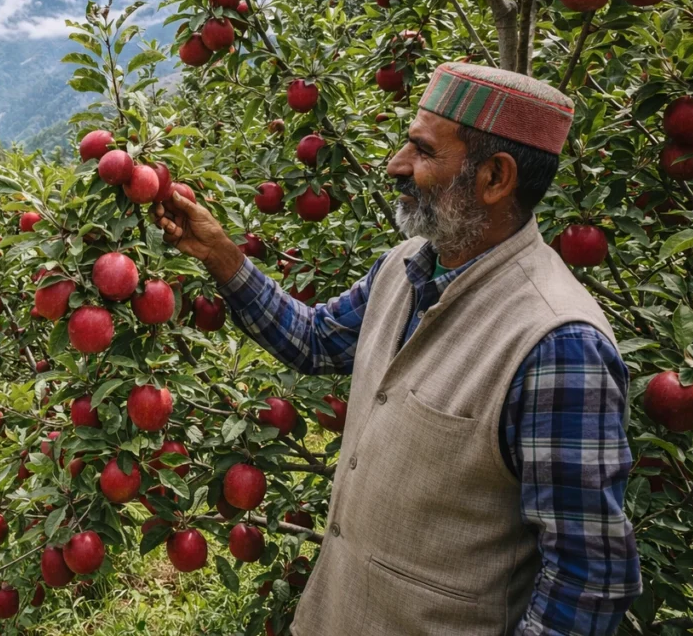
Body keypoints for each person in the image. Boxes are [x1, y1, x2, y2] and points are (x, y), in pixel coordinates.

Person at [152, 62, 641, 636]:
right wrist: (221, 254)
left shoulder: (557, 344)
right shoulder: (407, 267)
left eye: (424, 151)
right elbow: (315, 340)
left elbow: (587, 581)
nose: (396, 166)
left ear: (495, 178)